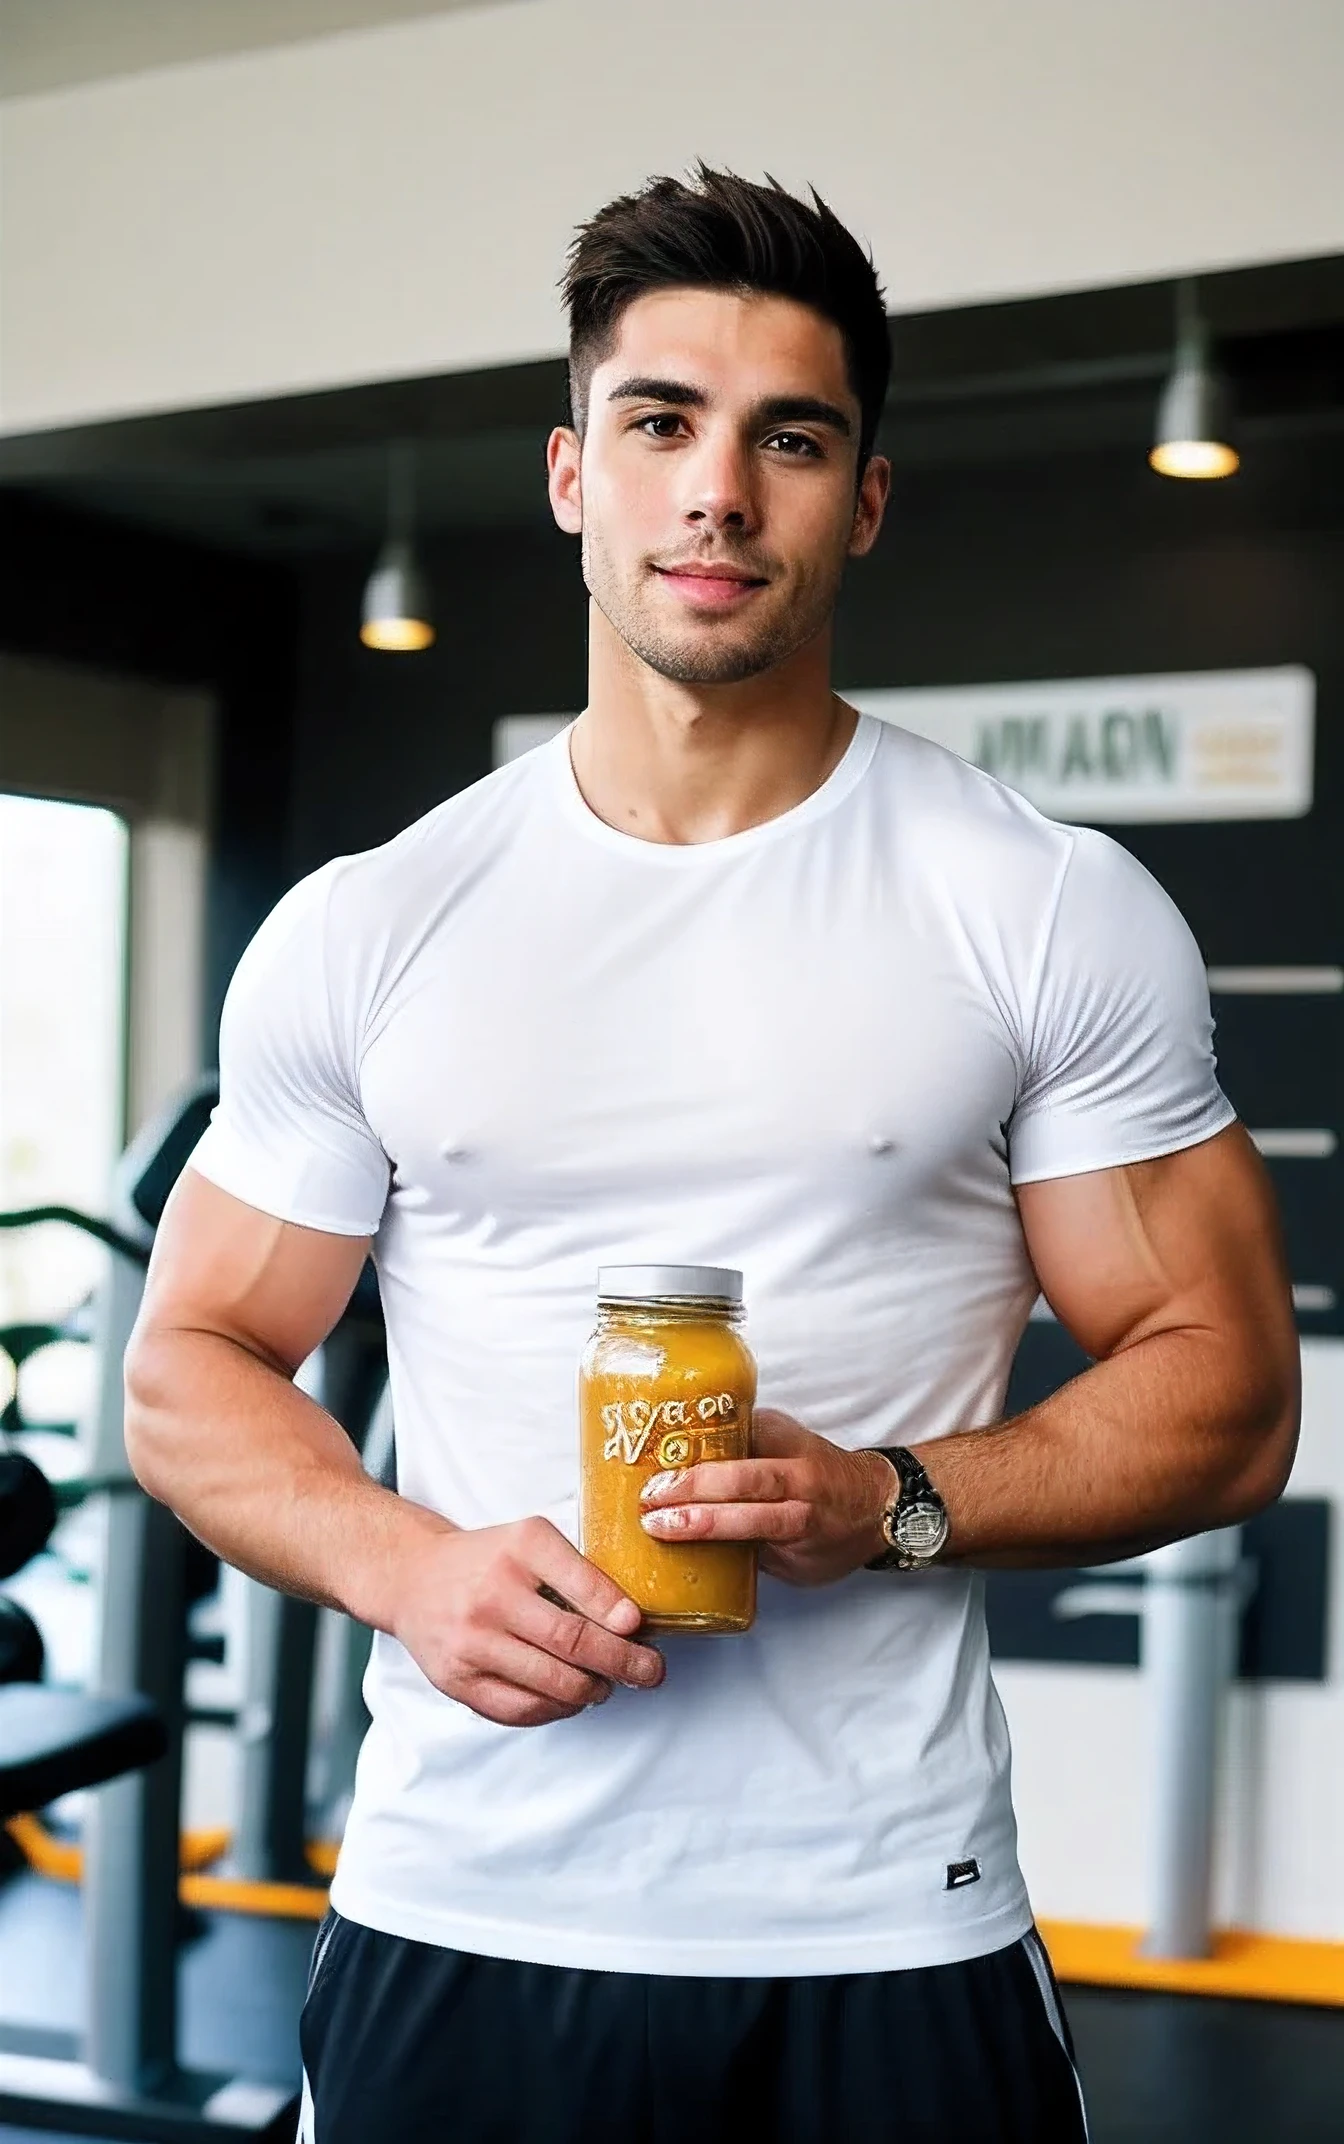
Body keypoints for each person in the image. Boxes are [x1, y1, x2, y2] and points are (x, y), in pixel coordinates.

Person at [124, 167, 1300, 2142]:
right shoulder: (373, 921)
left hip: (884, 1926)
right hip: (466, 1912)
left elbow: (1228, 1387)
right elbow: (190, 1364)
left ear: (867, 497)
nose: (721, 492)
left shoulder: (1040, 907)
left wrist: (893, 1500)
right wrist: (408, 1566)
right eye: (663, 423)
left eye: (793, 438)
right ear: (576, 474)